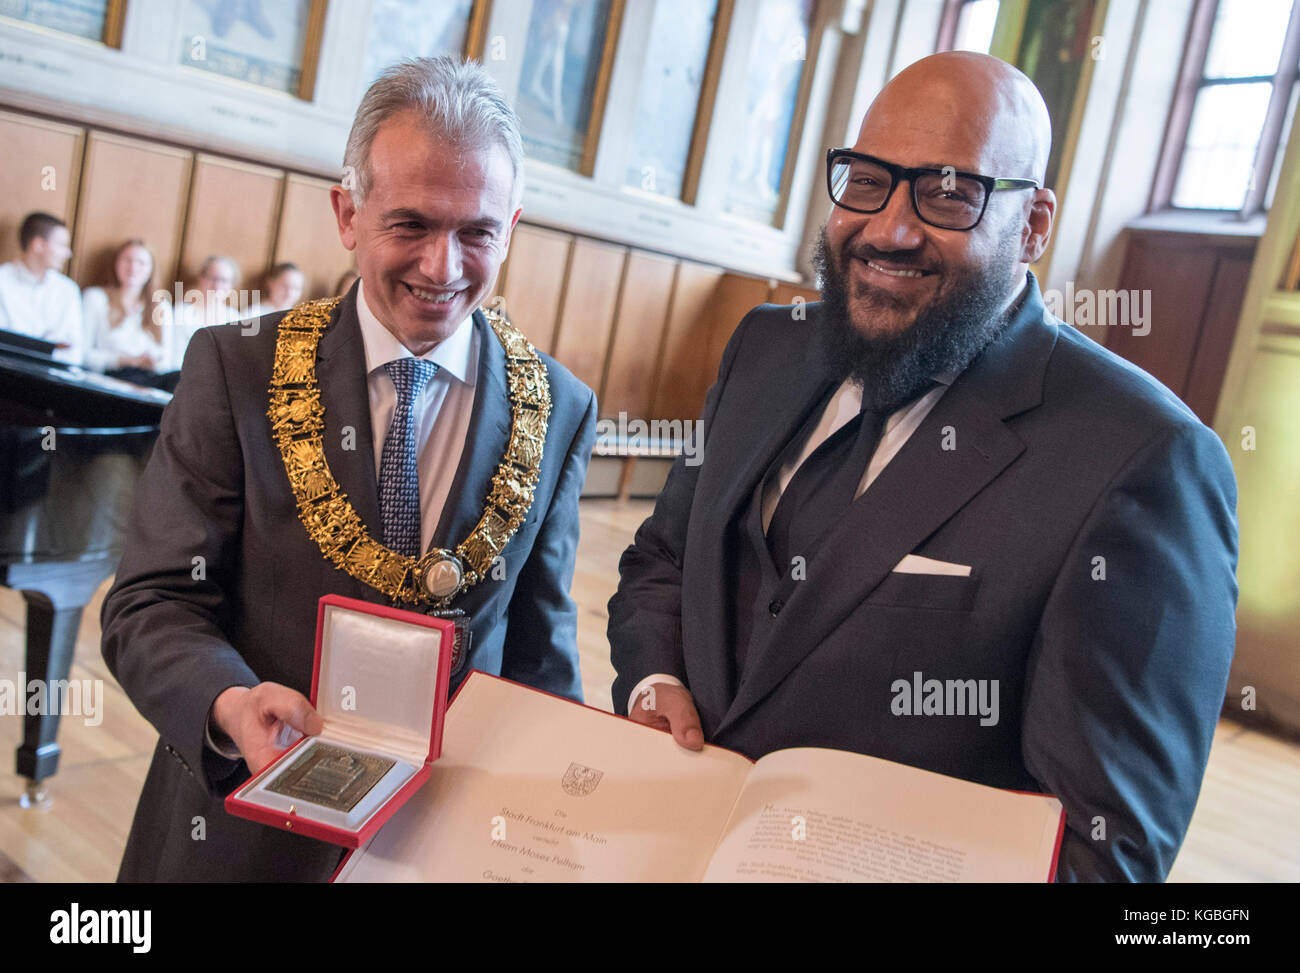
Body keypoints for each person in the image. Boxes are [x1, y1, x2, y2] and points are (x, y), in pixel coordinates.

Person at [607, 51, 1237, 883]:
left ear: (1036, 223)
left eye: (947, 193)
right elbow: (665, 559)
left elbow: (1097, 856)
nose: (889, 229)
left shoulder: (1143, 460)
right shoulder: (766, 346)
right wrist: (654, 678)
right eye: (867, 179)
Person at [101, 56, 597, 882]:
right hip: (238, 835)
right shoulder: (237, 368)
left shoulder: (560, 406)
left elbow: (540, 652)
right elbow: (152, 600)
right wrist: (230, 704)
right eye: (410, 225)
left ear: (512, 226)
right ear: (347, 211)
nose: (443, 268)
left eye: (477, 232)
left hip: (437, 849)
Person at [0, 211, 83, 364]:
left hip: (50, 379)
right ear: (38, 244)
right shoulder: (2, 280)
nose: (68, 253)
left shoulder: (68, 291)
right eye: (62, 245)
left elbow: (74, 353)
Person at [81, 239, 172, 376]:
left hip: (148, 383)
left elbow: (168, 361)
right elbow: (82, 353)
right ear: (116, 263)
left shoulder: (162, 307)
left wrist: (152, 362)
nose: (133, 268)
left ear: (151, 269)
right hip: (110, 377)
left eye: (141, 263)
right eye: (127, 260)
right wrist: (122, 361)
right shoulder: (95, 298)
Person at [168, 254, 239, 370]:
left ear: (232, 285)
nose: (218, 285)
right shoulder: (182, 311)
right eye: (213, 278)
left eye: (224, 280)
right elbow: (173, 356)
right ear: (201, 278)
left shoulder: (235, 318)